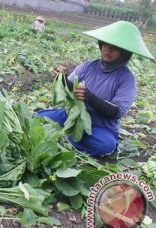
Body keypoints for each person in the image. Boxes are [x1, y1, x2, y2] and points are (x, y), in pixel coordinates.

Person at [37, 21, 154, 157]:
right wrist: (61, 78)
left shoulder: (127, 79)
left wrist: (89, 97)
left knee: (105, 146)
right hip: (72, 117)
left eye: (113, 47)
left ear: (125, 53)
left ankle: (61, 137)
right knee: (38, 118)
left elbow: (116, 112)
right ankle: (65, 136)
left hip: (99, 127)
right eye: (104, 44)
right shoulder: (88, 66)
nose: (106, 49)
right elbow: (69, 88)